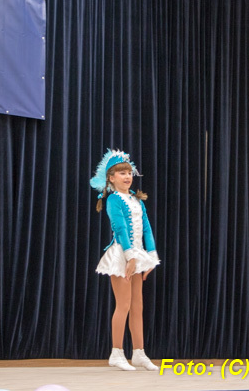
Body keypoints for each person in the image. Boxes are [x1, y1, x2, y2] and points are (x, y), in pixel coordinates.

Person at [90, 149, 160, 371]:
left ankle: (139, 352)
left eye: (129, 172)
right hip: (122, 255)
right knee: (124, 305)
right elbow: (119, 228)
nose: (127, 176)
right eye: (122, 173)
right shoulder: (114, 200)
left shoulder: (137, 200)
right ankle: (116, 353)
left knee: (138, 306)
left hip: (137, 256)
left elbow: (146, 228)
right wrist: (130, 257)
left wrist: (151, 257)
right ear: (111, 178)